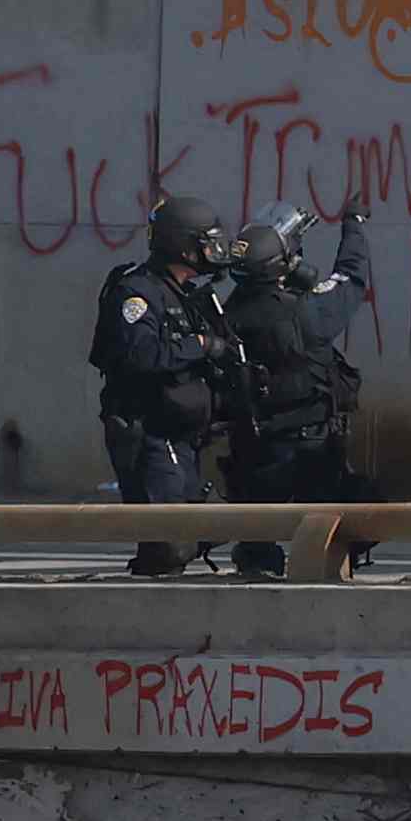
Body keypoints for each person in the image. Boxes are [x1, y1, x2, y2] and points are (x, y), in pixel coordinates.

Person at [213, 213, 374, 576]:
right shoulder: (309, 311)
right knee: (334, 517)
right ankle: (328, 568)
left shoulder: (225, 316)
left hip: (255, 447)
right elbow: (350, 276)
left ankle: (257, 566)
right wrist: (354, 225)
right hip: (312, 441)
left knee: (256, 529)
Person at [87, 194, 240, 576]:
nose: (211, 251)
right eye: (204, 242)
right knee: (168, 541)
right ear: (181, 245)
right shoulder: (136, 291)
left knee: (197, 526)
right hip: (150, 431)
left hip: (181, 433)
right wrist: (202, 346)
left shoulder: (186, 294)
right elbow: (141, 355)